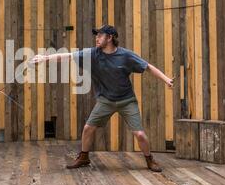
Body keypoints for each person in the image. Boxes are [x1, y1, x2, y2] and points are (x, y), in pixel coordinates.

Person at [31, 25, 174, 172]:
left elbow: (147, 66)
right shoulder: (92, 54)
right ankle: (84, 157)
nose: (97, 38)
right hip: (106, 101)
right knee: (88, 128)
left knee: (140, 134)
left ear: (110, 38)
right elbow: (68, 56)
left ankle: (149, 159)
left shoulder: (125, 55)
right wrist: (45, 58)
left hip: (127, 101)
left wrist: (166, 79)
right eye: (96, 35)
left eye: (100, 35)